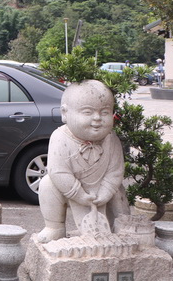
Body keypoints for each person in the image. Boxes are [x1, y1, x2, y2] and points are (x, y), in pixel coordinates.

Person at [36, 79, 130, 243]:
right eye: (88, 112)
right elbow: (58, 172)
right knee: (47, 184)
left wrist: (106, 191)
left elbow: (115, 171)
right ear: (65, 113)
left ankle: (122, 226)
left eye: (105, 112)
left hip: (103, 187)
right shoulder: (60, 138)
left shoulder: (111, 139)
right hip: (70, 188)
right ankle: (55, 227)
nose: (97, 118)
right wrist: (79, 194)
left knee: (118, 191)